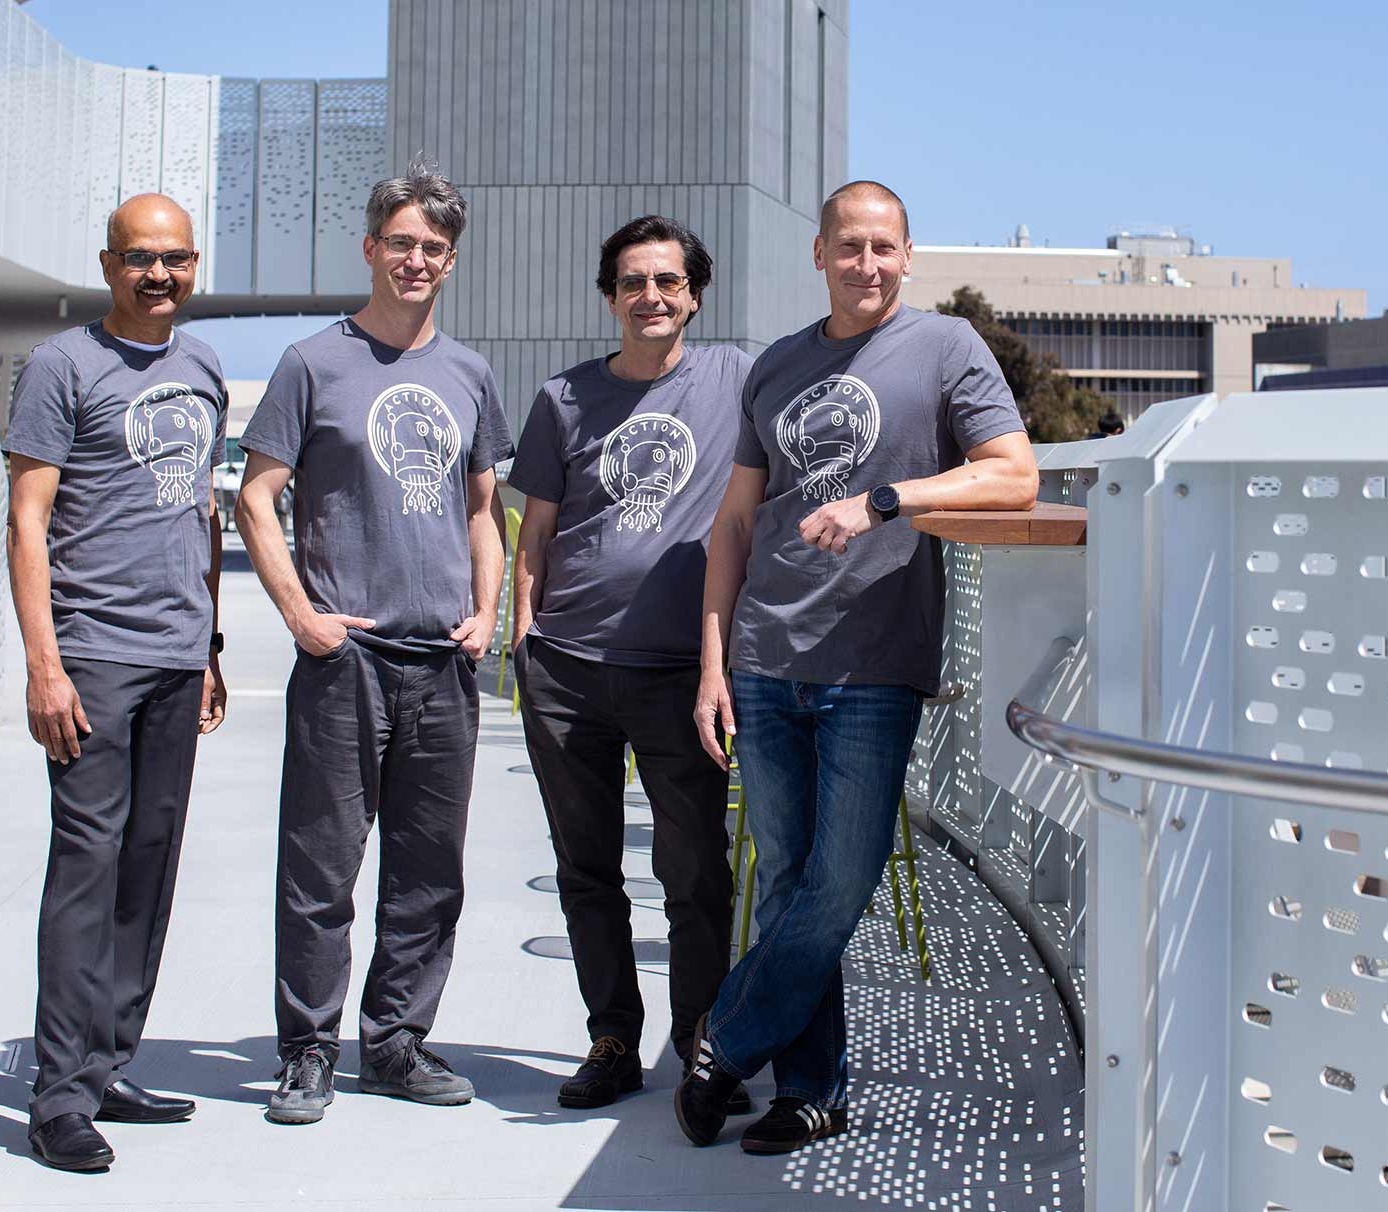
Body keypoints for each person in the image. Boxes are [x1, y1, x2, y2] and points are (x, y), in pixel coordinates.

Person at [675, 181, 1038, 1154]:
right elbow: (736, 523)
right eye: (849, 248)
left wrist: (887, 500)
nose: (866, 265)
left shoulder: (946, 349)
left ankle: (724, 1036)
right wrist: (714, 663)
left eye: (883, 248)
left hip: (874, 665)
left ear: (908, 254)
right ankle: (812, 1092)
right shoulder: (779, 367)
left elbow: (1015, 472)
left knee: (841, 881)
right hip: (763, 658)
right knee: (793, 883)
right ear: (821, 256)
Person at [235, 164, 513, 1125]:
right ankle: (307, 1051)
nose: (417, 260)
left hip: (444, 660)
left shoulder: (469, 373)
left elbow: (484, 510)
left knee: (430, 870)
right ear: (370, 249)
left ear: (450, 260)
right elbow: (255, 497)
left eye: (434, 248)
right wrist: (299, 615)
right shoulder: (312, 363)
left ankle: (396, 1043)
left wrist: (490, 612)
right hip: (342, 659)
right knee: (320, 869)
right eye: (401, 243)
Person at [2, 193, 229, 1172]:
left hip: (179, 656)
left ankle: (106, 1065)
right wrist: (44, 665)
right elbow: (26, 520)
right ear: (107, 265)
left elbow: (199, 518)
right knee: (86, 872)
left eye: (174, 259)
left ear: (193, 266)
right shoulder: (62, 366)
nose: (159, 276)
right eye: (140, 258)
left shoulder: (206, 365)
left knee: (149, 866)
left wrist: (212, 644)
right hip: (93, 655)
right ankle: (57, 1099)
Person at [508, 216, 754, 1112]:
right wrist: (525, 641)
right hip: (568, 670)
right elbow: (534, 531)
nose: (651, 295)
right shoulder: (562, 399)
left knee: (694, 873)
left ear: (694, 293)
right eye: (632, 282)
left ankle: (701, 1046)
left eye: (668, 281)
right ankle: (612, 1040)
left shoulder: (735, 378)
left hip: (683, 673)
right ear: (610, 296)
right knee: (589, 869)